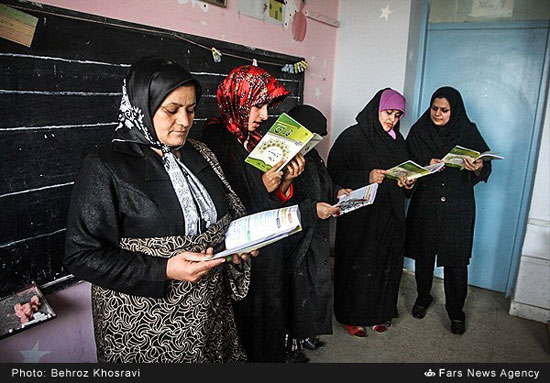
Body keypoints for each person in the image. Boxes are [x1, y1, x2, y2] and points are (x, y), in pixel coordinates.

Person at [63, 57, 257, 363]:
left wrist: (235, 246)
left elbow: (226, 214)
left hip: (209, 312)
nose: (184, 121)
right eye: (171, 110)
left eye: (191, 110)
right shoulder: (106, 166)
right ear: (142, 105)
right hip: (145, 324)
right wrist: (165, 269)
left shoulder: (201, 153)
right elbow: (81, 255)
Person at [202, 65, 306, 362]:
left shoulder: (255, 140)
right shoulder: (216, 140)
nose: (263, 115)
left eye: (265, 107)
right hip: (240, 253)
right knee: (247, 320)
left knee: (269, 312)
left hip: (267, 242)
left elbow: (269, 194)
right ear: (239, 100)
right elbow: (224, 200)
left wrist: (285, 181)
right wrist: (263, 184)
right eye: (258, 106)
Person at [405, 86, 491, 335]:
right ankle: (423, 297)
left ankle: (456, 312)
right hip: (427, 203)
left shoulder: (467, 131)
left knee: (455, 261)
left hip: (458, 206)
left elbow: (485, 167)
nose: (438, 114)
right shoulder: (419, 132)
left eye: (444, 110)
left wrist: (476, 167)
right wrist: (425, 165)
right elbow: (406, 165)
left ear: (455, 110)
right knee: (424, 256)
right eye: (435, 108)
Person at [327, 88, 413, 338]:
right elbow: (333, 172)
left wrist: (408, 182)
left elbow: (403, 171)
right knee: (356, 264)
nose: (392, 119)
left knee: (384, 263)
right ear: (376, 109)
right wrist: (366, 176)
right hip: (360, 218)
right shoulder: (352, 136)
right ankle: (350, 316)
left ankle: (378, 313)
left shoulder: (398, 140)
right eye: (388, 112)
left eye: (397, 115)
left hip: (390, 215)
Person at [283, 105, 350, 362]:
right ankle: (289, 347)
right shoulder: (284, 157)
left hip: (316, 235)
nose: (315, 143)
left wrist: (338, 192)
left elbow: (324, 182)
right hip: (296, 240)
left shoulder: (311, 156)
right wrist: (313, 209)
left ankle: (306, 334)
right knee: (295, 291)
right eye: (311, 137)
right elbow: (279, 204)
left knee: (313, 288)